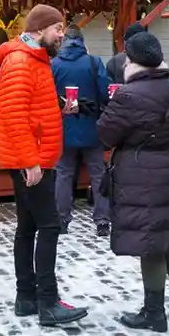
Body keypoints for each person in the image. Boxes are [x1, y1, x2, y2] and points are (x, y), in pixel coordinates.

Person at [98, 32, 169, 332]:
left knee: (151, 243)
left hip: (142, 173)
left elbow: (105, 134)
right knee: (168, 238)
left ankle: (154, 313)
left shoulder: (129, 94)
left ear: (133, 60)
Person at [0, 4, 88, 326]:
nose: (62, 34)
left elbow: (30, 107)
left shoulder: (35, 59)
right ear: (39, 30)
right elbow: (14, 116)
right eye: (57, 29)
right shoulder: (21, 61)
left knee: (28, 227)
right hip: (32, 160)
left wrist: (62, 108)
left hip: (33, 156)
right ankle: (48, 302)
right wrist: (30, 162)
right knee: (48, 226)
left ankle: (26, 298)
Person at [50, 25, 112, 236]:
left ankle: (61, 219)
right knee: (98, 173)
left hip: (63, 128)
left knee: (64, 174)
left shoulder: (54, 64)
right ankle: (102, 221)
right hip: (92, 128)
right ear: (82, 42)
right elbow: (106, 93)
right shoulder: (94, 63)